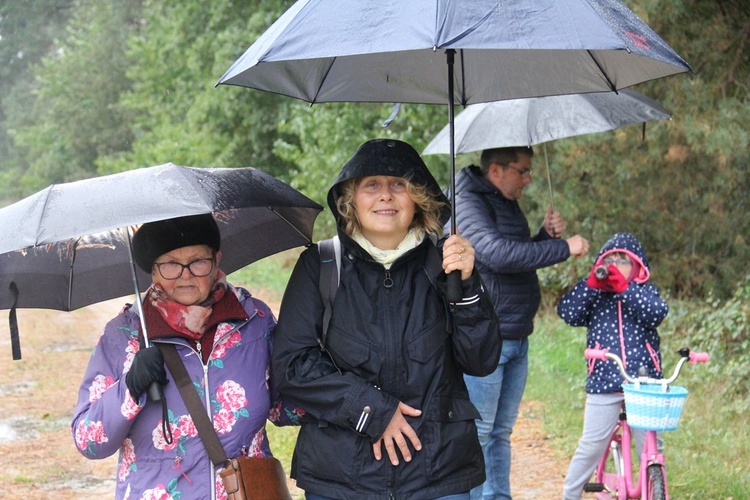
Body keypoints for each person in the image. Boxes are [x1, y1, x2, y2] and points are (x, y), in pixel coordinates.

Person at [272, 138, 502, 500]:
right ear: (351, 199)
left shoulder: (446, 264)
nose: (386, 196)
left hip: (437, 474)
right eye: (371, 186)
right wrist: (372, 411)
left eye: (399, 184)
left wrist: (469, 284)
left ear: (419, 198)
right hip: (343, 478)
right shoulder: (320, 265)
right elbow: (292, 366)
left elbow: (481, 360)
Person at [71, 214, 302, 499]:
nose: (185, 274)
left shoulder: (254, 320)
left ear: (216, 259)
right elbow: (88, 441)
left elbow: (286, 406)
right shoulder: (124, 335)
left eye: (197, 261)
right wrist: (129, 388)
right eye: (170, 264)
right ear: (153, 270)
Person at [450, 146, 589, 500]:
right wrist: (563, 248)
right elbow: (495, 254)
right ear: (496, 170)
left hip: (516, 334)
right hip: (486, 338)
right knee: (479, 432)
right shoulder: (468, 201)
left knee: (500, 432)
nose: (528, 179)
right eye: (522, 171)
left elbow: (517, 254)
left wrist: (545, 236)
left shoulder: (502, 199)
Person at [557, 232, 669, 499]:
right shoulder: (595, 296)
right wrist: (591, 284)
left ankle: (654, 491)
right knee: (592, 444)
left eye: (624, 260)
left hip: (644, 382)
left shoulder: (643, 292)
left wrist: (625, 289)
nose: (617, 265)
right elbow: (568, 313)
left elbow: (656, 313)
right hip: (604, 380)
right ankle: (569, 494)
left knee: (652, 446)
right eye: (611, 260)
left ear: (638, 267)